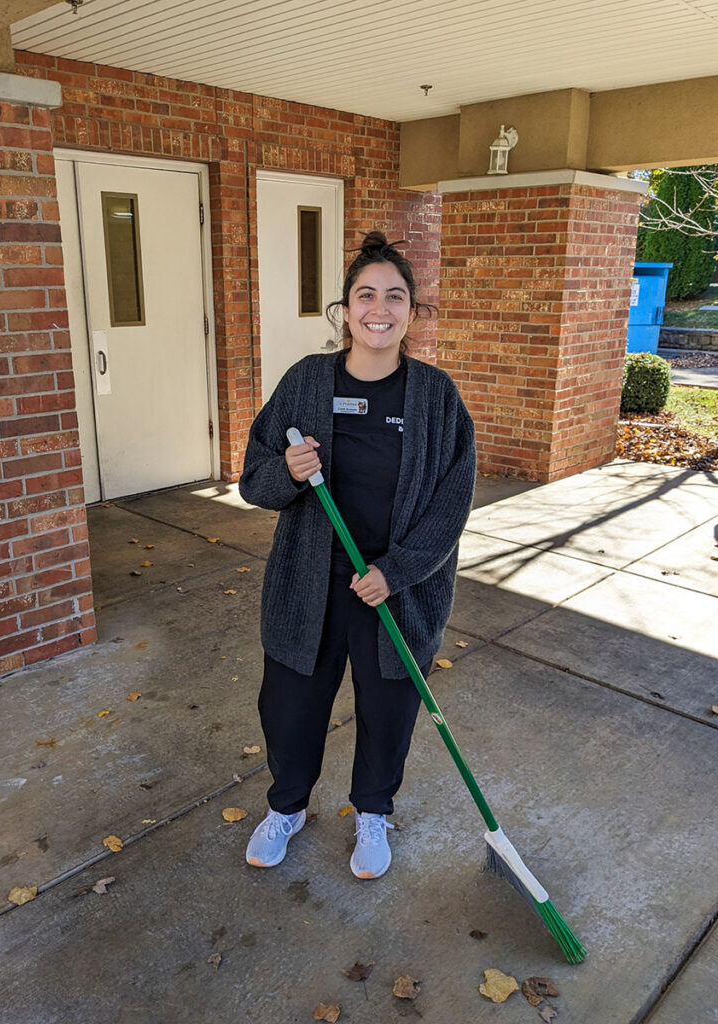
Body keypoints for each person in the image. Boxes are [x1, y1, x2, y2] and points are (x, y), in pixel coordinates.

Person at [238, 230, 476, 879]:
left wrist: (395, 572)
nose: (380, 307)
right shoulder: (307, 382)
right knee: (291, 708)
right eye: (366, 293)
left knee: (388, 708)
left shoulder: (435, 395)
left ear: (412, 310)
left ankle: (373, 810)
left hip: (395, 591)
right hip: (308, 586)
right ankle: (286, 806)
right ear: (345, 309)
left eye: (394, 296)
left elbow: (452, 502)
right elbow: (253, 481)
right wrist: (285, 469)